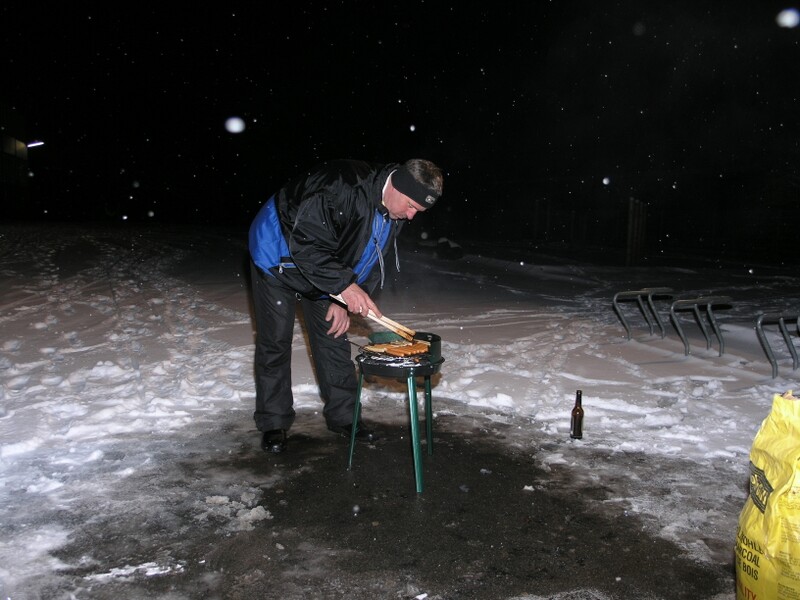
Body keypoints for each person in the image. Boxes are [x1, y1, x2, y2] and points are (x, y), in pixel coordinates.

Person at [248, 158, 444, 453]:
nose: (412, 216)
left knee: (334, 334)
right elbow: (307, 243)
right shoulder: (341, 187)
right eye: (411, 206)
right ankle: (274, 421)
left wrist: (344, 299)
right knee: (275, 340)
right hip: (276, 256)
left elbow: (369, 258)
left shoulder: (394, 211)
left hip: (326, 266)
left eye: (418, 211)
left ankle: (344, 417)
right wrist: (343, 287)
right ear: (397, 186)